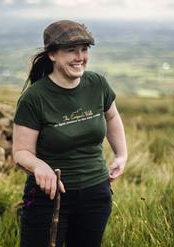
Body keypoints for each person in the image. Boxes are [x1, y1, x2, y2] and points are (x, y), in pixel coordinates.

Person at [12, 20, 128, 247]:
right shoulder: (34, 98)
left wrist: (121, 154)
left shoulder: (97, 84)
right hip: (49, 198)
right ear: (52, 54)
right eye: (71, 50)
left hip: (96, 194)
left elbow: (112, 117)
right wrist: (39, 166)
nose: (80, 57)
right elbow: (21, 152)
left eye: (84, 49)